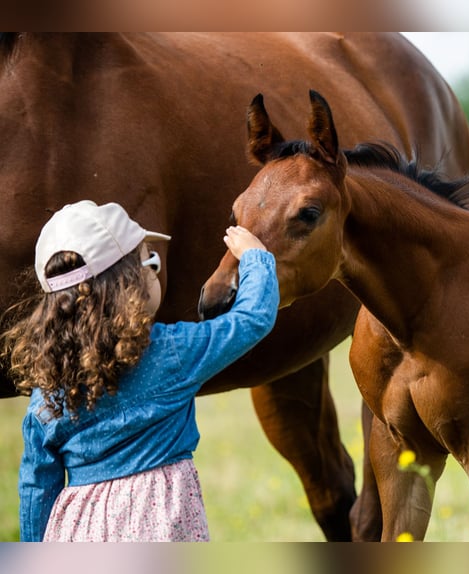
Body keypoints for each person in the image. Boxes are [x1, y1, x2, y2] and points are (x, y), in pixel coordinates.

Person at [1, 200, 279, 542]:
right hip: (162, 522)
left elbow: (36, 487)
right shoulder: (172, 353)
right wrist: (255, 258)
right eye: (151, 262)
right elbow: (251, 320)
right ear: (130, 287)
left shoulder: (48, 395)